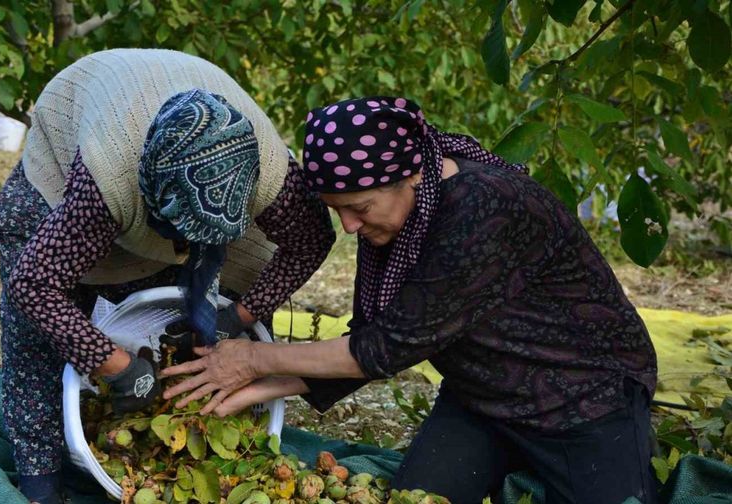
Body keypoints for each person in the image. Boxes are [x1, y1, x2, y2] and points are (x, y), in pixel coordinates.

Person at [161, 97, 659, 504]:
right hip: (481, 396)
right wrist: (256, 386)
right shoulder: (399, 216)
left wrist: (252, 360)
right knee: (414, 499)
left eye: (358, 209)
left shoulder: (485, 209)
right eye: (339, 212)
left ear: (412, 175)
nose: (349, 227)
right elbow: (374, 336)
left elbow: (385, 348)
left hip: (583, 397)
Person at [0, 49, 335, 504]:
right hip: (71, 155)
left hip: (173, 166)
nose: (183, 250)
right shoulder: (104, 180)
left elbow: (311, 241)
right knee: (44, 333)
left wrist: (237, 315)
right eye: (181, 235)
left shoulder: (270, 174)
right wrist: (116, 367)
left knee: (180, 313)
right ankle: (40, 478)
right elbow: (33, 287)